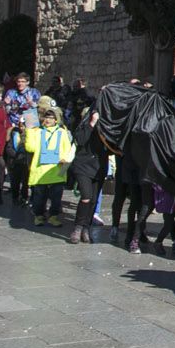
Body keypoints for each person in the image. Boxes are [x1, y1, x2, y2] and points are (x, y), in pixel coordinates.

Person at [25, 98, 74, 227]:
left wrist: (64, 161)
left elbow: (67, 150)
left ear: (56, 120)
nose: (48, 120)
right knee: (39, 197)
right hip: (41, 172)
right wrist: (29, 129)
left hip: (56, 171)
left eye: (51, 118)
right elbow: (30, 148)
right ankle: (39, 215)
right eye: (46, 117)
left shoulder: (62, 132)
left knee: (56, 197)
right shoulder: (38, 132)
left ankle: (53, 216)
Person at [66, 103, 106, 245]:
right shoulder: (83, 127)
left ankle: (86, 228)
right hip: (83, 165)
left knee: (94, 199)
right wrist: (92, 123)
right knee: (86, 196)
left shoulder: (105, 128)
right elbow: (81, 140)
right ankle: (77, 227)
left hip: (99, 166)